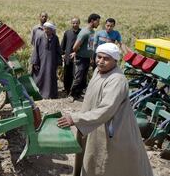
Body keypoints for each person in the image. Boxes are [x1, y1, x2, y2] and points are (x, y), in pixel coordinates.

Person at [57, 43, 153, 176]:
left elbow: (106, 110)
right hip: (92, 125)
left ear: (115, 60)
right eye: (99, 57)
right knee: (91, 157)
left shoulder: (117, 80)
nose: (100, 61)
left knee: (107, 163)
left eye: (106, 58)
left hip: (111, 130)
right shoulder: (98, 71)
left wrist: (75, 118)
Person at [68, 13, 100, 102]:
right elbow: (75, 47)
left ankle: (78, 94)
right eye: (97, 21)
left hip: (87, 58)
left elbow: (90, 46)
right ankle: (71, 95)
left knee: (83, 78)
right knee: (78, 78)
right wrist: (77, 53)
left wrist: (91, 58)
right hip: (81, 58)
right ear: (92, 21)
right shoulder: (84, 32)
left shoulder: (92, 32)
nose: (99, 23)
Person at [30, 22, 62, 99]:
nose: (46, 30)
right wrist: (35, 62)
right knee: (40, 77)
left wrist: (59, 62)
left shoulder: (55, 38)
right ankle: (39, 94)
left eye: (48, 29)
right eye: (45, 29)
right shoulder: (40, 37)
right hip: (41, 62)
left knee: (51, 77)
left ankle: (51, 95)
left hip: (52, 62)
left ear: (52, 30)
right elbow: (36, 50)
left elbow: (58, 51)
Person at [61, 17, 81, 95]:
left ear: (79, 23)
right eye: (73, 23)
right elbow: (63, 44)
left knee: (76, 74)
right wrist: (62, 54)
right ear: (71, 23)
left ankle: (75, 91)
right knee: (67, 73)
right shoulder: (67, 32)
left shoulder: (81, 33)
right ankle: (66, 89)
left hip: (78, 57)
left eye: (76, 23)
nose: (75, 24)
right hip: (67, 57)